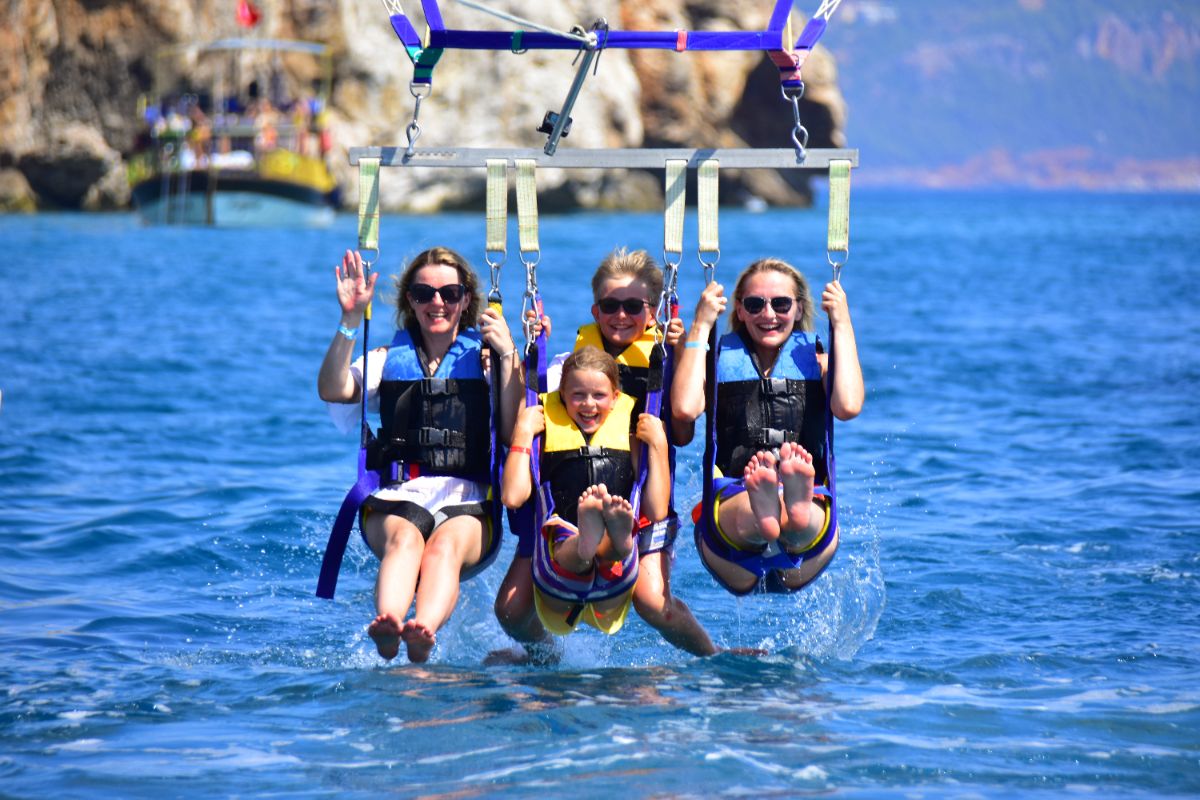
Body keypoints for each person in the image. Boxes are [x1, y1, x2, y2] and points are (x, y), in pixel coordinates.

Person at [492, 249, 717, 660]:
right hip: (564, 499)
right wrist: (525, 353)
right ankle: (545, 658)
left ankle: (713, 654)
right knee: (511, 608)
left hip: (640, 498)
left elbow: (684, 429)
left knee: (654, 603)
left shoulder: (666, 357)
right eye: (611, 305)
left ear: (653, 312)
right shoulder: (569, 367)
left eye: (634, 306)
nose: (621, 315)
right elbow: (533, 406)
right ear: (595, 310)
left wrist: (684, 350)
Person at [318, 247, 522, 662]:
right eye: (424, 293)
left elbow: (513, 429)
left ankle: (422, 631)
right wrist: (350, 319)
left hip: (469, 502)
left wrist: (509, 354)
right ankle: (390, 625)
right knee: (406, 540)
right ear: (409, 300)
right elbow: (333, 389)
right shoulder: (385, 361)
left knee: (443, 548)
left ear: (466, 299)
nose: (437, 302)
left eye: (450, 293)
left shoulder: (487, 360)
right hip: (397, 496)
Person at [672, 258, 864, 594]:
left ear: (799, 308)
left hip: (795, 532)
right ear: (740, 310)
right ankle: (773, 515)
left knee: (790, 519)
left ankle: (789, 512)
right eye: (755, 304)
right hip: (732, 508)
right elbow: (685, 409)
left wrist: (842, 322)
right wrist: (701, 325)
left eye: (781, 304)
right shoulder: (714, 361)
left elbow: (847, 406)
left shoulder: (819, 362)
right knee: (752, 513)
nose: (768, 314)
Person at [500, 346, 670, 636]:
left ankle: (607, 540)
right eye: (578, 395)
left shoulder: (632, 437)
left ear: (615, 397)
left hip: (611, 581)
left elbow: (655, 511)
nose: (588, 404)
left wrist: (659, 445)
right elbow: (512, 497)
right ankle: (591, 542)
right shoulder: (542, 433)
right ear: (562, 395)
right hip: (557, 573)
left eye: (598, 395)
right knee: (567, 542)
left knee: (600, 548)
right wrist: (523, 434)